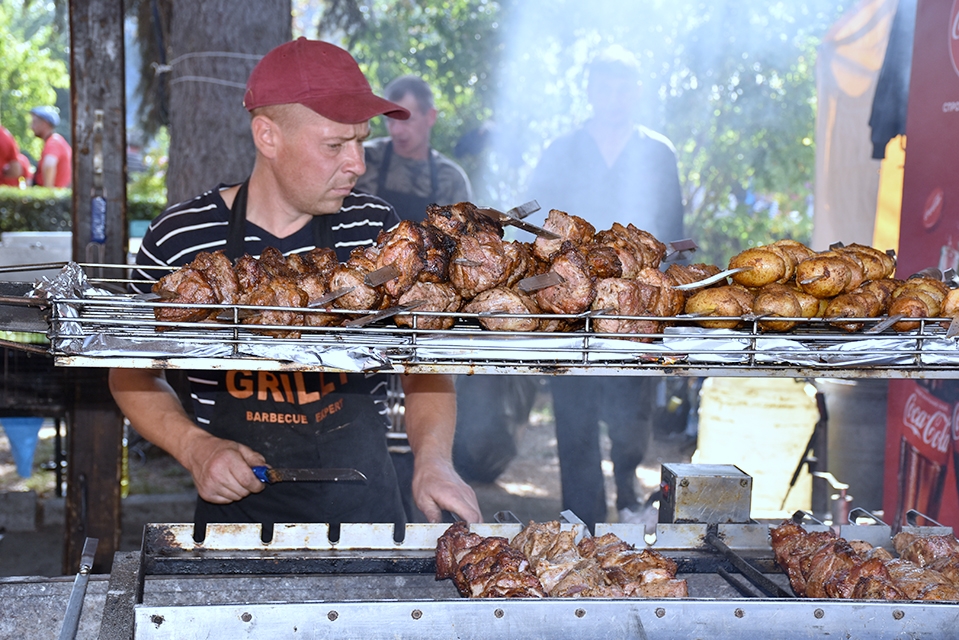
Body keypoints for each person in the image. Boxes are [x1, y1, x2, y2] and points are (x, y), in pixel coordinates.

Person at [108, 38, 481, 529]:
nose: (358, 163)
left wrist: (434, 460)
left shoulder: (376, 234)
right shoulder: (182, 239)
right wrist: (195, 448)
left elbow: (423, 367)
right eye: (334, 145)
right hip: (234, 520)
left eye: (361, 140)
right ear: (268, 136)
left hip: (366, 510)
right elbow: (129, 371)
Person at [526, 45, 685, 532]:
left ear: (637, 93)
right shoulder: (562, 149)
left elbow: (674, 228)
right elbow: (542, 229)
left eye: (625, 87)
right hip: (571, 300)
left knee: (631, 405)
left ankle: (630, 496)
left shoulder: (658, 152)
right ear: (591, 91)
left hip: (635, 303)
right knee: (573, 404)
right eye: (606, 86)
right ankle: (582, 514)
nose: (615, 96)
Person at [355, 75, 472, 222]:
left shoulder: (451, 180)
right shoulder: (362, 160)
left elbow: (463, 238)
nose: (396, 130)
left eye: (406, 120)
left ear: (430, 116)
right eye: (390, 120)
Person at [29, 106, 71, 188]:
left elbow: (49, 164)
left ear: (45, 123)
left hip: (53, 198)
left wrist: (47, 193)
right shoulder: (55, 141)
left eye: (34, 122)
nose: (31, 127)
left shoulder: (53, 142)